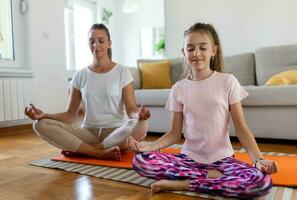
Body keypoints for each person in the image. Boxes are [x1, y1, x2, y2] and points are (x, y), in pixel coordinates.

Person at [128, 22, 278, 198]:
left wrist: (259, 160)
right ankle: (211, 178)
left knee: (260, 181)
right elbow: (174, 133)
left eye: (202, 48)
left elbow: (241, 128)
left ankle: (187, 184)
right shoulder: (178, 88)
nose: (196, 53)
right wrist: (150, 146)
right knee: (141, 161)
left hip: (223, 161)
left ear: (213, 51)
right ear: (184, 52)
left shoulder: (228, 82)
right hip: (188, 160)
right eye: (190, 48)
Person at [25, 23, 150, 161]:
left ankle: (87, 149)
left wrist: (139, 115)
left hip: (117, 131)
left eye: (101, 41)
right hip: (89, 132)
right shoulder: (80, 75)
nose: (96, 45)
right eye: (92, 41)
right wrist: (44, 115)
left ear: (109, 43)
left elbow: (131, 109)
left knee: (136, 126)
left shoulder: (122, 72)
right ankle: (96, 152)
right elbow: (70, 115)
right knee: (39, 124)